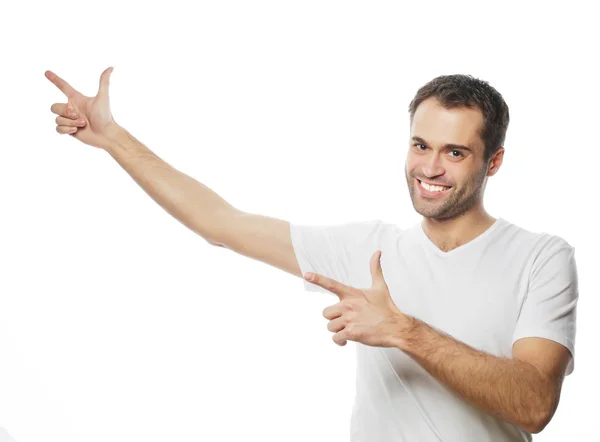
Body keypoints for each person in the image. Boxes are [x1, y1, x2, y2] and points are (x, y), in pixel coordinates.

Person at [45, 69, 577, 441]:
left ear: (495, 161)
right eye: (420, 145)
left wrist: (401, 329)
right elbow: (219, 224)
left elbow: (533, 405)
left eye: (454, 152)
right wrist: (113, 138)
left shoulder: (540, 257)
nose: (430, 168)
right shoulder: (369, 247)